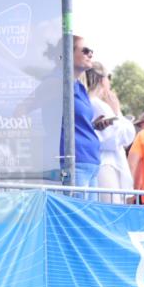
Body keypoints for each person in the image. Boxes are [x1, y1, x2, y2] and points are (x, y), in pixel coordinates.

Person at [84, 61, 135, 203]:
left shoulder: (86, 102)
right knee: (110, 211)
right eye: (109, 77)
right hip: (106, 164)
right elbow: (120, 137)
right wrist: (117, 111)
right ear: (102, 80)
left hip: (98, 163)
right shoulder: (99, 105)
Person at [62, 36, 101, 191]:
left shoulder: (80, 87)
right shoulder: (56, 83)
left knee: (88, 214)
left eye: (91, 51)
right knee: (76, 215)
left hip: (90, 162)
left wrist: (94, 125)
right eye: (85, 51)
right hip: (75, 162)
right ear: (68, 53)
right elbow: (24, 109)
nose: (90, 54)